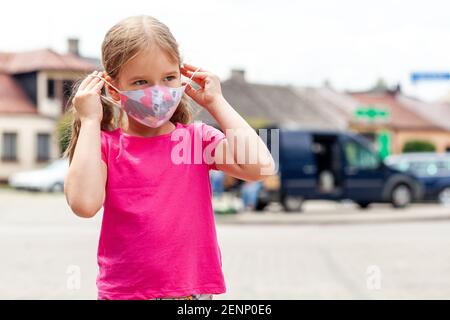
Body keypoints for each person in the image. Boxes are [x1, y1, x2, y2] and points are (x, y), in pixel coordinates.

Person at [63, 15, 275, 300]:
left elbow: (261, 166)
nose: (159, 91)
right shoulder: (105, 145)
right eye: (141, 81)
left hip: (191, 296)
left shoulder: (196, 140)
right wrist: (90, 121)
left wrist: (217, 103)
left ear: (181, 74)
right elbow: (84, 204)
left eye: (168, 78)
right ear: (113, 89)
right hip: (126, 295)